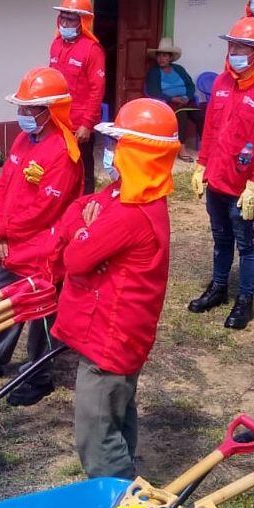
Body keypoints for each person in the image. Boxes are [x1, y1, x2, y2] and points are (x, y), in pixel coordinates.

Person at [47, 98, 179, 479]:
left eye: (120, 145)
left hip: (109, 341)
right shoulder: (136, 194)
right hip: (124, 337)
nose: (112, 151)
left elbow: (75, 260)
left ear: (139, 153)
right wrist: (85, 224)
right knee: (119, 412)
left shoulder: (129, 214)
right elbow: (80, 208)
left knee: (96, 430)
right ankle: (126, 481)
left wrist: (84, 231)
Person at [0, 67, 83, 406]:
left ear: (49, 111)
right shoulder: (24, 139)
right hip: (12, 240)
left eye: (28, 109)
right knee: (2, 300)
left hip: (44, 247)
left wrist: (3, 230)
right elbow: (5, 184)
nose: (21, 115)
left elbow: (44, 209)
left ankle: (40, 375)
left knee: (39, 312)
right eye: (20, 108)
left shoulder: (64, 154)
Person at [188, 17, 254, 329]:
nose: (235, 52)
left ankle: (245, 300)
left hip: (244, 187)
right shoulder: (221, 83)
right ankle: (218, 288)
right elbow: (212, 129)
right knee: (220, 238)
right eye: (232, 46)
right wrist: (202, 164)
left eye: (242, 47)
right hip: (217, 178)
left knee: (247, 244)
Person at [48, 0, 107, 190]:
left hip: (79, 125)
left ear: (82, 21)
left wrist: (87, 124)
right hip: (57, 122)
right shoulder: (56, 45)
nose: (65, 23)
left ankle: (85, 206)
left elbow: (97, 90)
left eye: (71, 19)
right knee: (60, 170)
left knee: (82, 171)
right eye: (62, 17)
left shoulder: (92, 50)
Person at [144, 36, 204, 160]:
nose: (161, 59)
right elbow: (153, 91)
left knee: (201, 116)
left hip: (186, 101)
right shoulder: (154, 72)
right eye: (159, 56)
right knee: (181, 115)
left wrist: (188, 97)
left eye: (165, 56)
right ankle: (181, 148)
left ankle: (205, 147)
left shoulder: (179, 69)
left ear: (170, 57)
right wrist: (172, 99)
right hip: (168, 103)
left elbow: (190, 85)